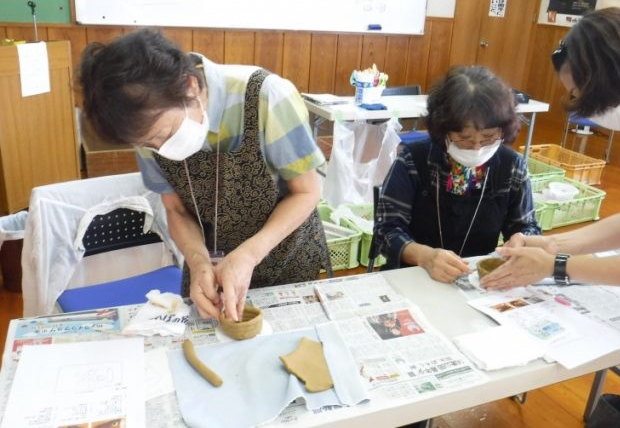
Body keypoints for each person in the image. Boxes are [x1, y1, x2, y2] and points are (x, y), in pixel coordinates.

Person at [78, 29, 330, 321]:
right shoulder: (141, 124)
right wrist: (198, 262)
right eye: (148, 144)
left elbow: (307, 192)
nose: (160, 149)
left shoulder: (266, 97)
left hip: (285, 258)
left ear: (190, 86)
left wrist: (249, 254)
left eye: (165, 134)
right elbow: (176, 209)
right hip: (208, 268)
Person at [481, 8, 620, 291]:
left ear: (606, 80)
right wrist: (552, 245)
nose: (581, 106)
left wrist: (554, 265)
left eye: (576, 93)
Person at [374, 65, 541, 283]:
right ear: (443, 130)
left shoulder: (512, 167)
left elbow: (527, 226)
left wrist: (522, 240)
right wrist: (424, 256)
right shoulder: (413, 161)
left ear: (503, 129)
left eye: (489, 137)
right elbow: (386, 231)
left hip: (477, 280)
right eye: (464, 139)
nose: (477, 148)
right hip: (414, 276)